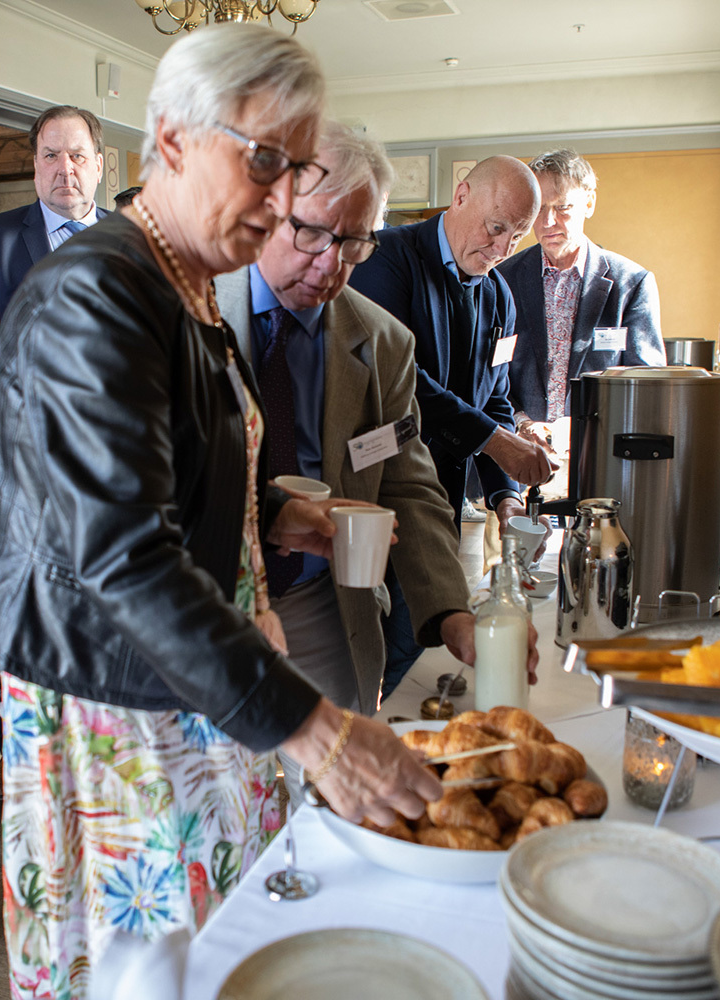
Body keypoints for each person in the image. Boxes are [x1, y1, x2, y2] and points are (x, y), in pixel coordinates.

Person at [0, 26, 441, 996]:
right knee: (152, 969)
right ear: (172, 141)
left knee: (223, 948)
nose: (280, 199)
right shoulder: (96, 294)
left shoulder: (180, 279)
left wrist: (272, 514)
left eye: (296, 169)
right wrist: (319, 731)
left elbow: (167, 467)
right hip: (115, 695)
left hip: (186, 673)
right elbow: (122, 555)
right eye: (264, 160)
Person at [217, 121, 506, 720]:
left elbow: (407, 483)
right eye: (312, 233)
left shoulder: (382, 343)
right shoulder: (182, 309)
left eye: (355, 243)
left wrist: (451, 610)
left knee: (338, 766)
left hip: (320, 600)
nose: (332, 264)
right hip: (202, 595)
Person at [347, 155, 549, 695]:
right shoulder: (386, 258)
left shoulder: (499, 296)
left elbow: (496, 398)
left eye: (517, 236)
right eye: (496, 227)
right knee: (366, 645)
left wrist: (506, 498)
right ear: (461, 196)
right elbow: (400, 379)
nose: (503, 248)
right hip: (375, 489)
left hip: (441, 504)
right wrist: (494, 440)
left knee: (415, 642)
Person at [0, 104, 108, 514]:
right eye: (51, 155)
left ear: (98, 166)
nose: (64, 168)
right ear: (36, 165)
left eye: (77, 155)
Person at [495, 148, 664, 431]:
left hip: (600, 445)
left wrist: (577, 429)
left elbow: (646, 384)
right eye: (539, 209)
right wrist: (523, 424)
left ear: (589, 202)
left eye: (562, 207)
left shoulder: (632, 284)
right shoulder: (503, 279)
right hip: (521, 445)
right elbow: (490, 374)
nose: (548, 222)